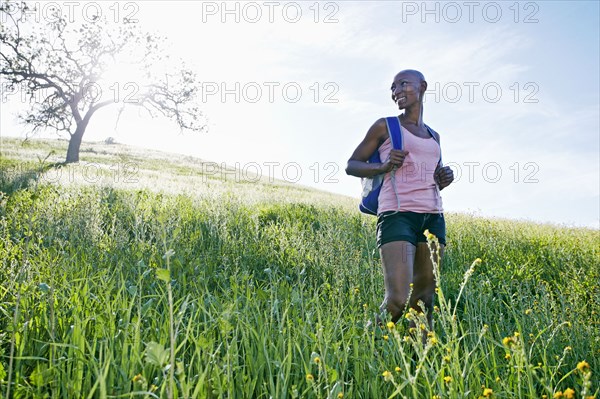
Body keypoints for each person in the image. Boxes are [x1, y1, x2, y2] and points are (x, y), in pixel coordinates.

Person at [345, 69, 454, 332]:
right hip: (397, 215)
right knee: (398, 299)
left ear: (423, 87)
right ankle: (363, 344)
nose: (396, 91)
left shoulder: (433, 135)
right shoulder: (385, 126)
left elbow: (427, 172)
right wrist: (382, 167)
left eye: (403, 84)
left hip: (432, 217)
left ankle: (422, 361)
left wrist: (443, 176)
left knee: (425, 299)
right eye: (393, 87)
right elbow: (352, 165)